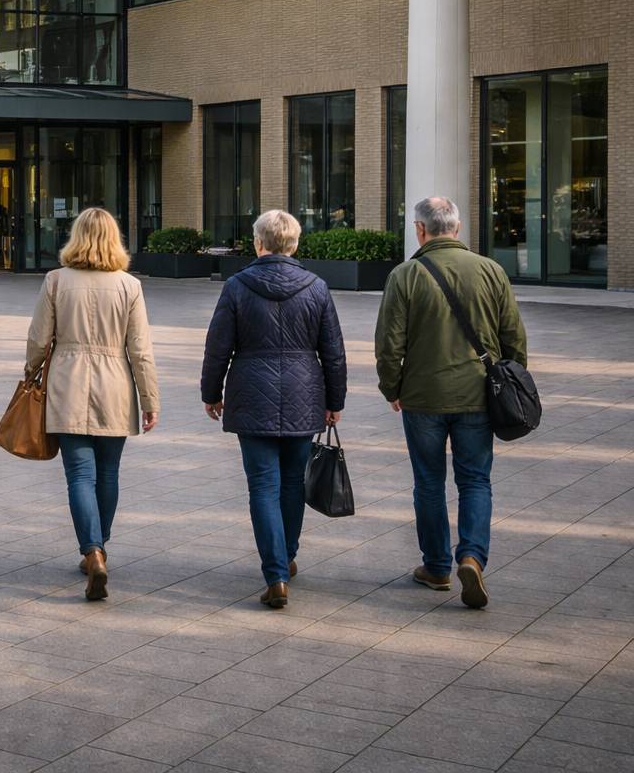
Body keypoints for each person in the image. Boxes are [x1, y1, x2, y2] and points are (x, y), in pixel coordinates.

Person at [376, 196, 527, 610]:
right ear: (457, 229)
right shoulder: (492, 271)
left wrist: (392, 387)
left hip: (423, 397)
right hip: (479, 396)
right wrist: (512, 383)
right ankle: (473, 557)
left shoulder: (405, 275)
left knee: (428, 482)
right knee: (475, 480)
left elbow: (389, 344)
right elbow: (514, 337)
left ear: (420, 230)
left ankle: (438, 567)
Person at [201, 210, 347, 610]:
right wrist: (335, 401)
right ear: (295, 244)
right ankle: (287, 556)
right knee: (292, 482)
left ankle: (276, 573)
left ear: (258, 243)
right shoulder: (316, 287)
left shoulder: (236, 286)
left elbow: (218, 347)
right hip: (304, 392)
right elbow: (333, 351)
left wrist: (211, 392)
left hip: (252, 391)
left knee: (263, 485)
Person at [25, 207, 159, 602]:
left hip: (67, 383)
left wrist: (29, 374)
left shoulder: (55, 281)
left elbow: (38, 340)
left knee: (79, 475)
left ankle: (92, 550)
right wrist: (149, 398)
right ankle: (101, 545)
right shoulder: (129, 286)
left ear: (76, 237)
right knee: (109, 473)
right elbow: (141, 351)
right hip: (115, 386)